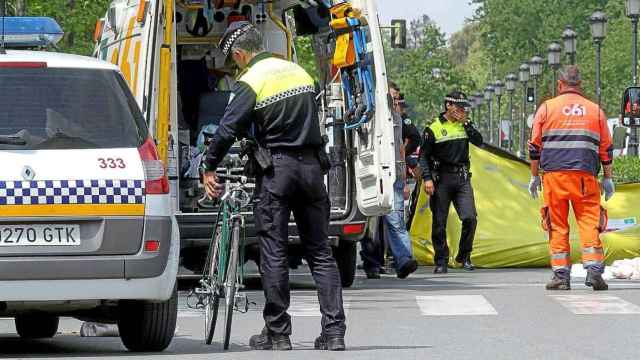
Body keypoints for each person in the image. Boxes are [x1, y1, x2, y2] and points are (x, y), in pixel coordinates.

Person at [202, 22, 346, 351]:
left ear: (239, 54)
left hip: (277, 173)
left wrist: (209, 166)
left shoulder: (250, 80)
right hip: (312, 170)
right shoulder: (299, 72)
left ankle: (278, 333)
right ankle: (334, 332)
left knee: (274, 253)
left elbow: (227, 129)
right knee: (321, 253)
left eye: (234, 60)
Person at [528, 65, 615, 291]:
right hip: (585, 178)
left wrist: (534, 175)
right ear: (580, 85)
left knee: (557, 225)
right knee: (589, 223)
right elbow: (606, 148)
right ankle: (594, 271)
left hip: (554, 178)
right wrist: (607, 177)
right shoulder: (595, 110)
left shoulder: (547, 108)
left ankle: (561, 276)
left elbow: (535, 146)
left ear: (560, 84)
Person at [419, 91, 483, 274]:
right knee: (439, 222)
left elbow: (479, 142)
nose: (462, 110)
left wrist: (468, 125)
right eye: (458, 106)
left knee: (470, 217)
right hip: (441, 179)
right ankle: (441, 261)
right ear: (448, 105)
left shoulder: (465, 125)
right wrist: (427, 178)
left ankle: (464, 255)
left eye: (464, 107)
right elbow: (423, 156)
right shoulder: (433, 128)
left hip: (462, 177)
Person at [360, 83, 419, 279]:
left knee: (396, 221)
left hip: (394, 175)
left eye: (396, 99)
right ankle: (372, 263)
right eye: (391, 98)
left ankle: (404, 260)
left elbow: (401, 148)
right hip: (374, 175)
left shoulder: (398, 118)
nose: (395, 102)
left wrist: (402, 174)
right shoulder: (370, 116)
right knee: (372, 224)